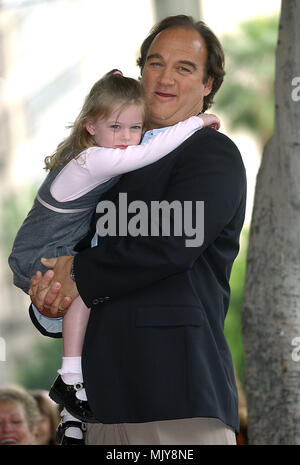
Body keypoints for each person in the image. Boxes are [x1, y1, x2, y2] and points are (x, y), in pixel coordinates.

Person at [28, 15, 247, 445]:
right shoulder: (104, 160)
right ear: (140, 71)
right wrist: (48, 298)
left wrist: (77, 274)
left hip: (178, 399)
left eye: (184, 68)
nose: (165, 78)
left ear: (207, 85)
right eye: (155, 63)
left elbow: (172, 244)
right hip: (98, 408)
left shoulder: (211, 153)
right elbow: (64, 244)